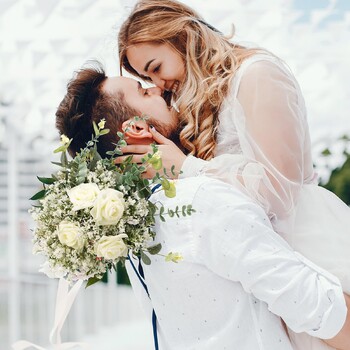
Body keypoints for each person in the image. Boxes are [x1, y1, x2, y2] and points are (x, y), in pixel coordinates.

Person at [55, 63, 350, 350]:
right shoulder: (200, 200)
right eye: (144, 92)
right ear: (135, 128)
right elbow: (315, 306)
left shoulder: (133, 228)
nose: (159, 90)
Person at [117, 2, 350, 346]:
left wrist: (185, 167)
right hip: (267, 258)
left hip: (308, 242)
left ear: (182, 36)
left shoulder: (258, 74)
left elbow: (278, 190)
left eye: (155, 68)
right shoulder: (201, 98)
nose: (159, 83)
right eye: (146, 79)